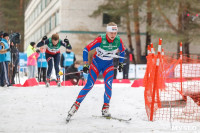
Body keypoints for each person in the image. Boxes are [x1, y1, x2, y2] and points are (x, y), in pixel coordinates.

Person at [66, 22, 125, 122]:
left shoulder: (118, 40)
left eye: (115, 33)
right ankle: (75, 106)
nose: (113, 35)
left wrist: (121, 63)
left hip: (108, 65)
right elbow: (86, 49)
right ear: (107, 32)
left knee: (109, 85)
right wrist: (85, 64)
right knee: (89, 85)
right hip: (96, 64)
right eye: (111, 33)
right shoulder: (100, 39)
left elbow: (122, 51)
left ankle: (105, 108)